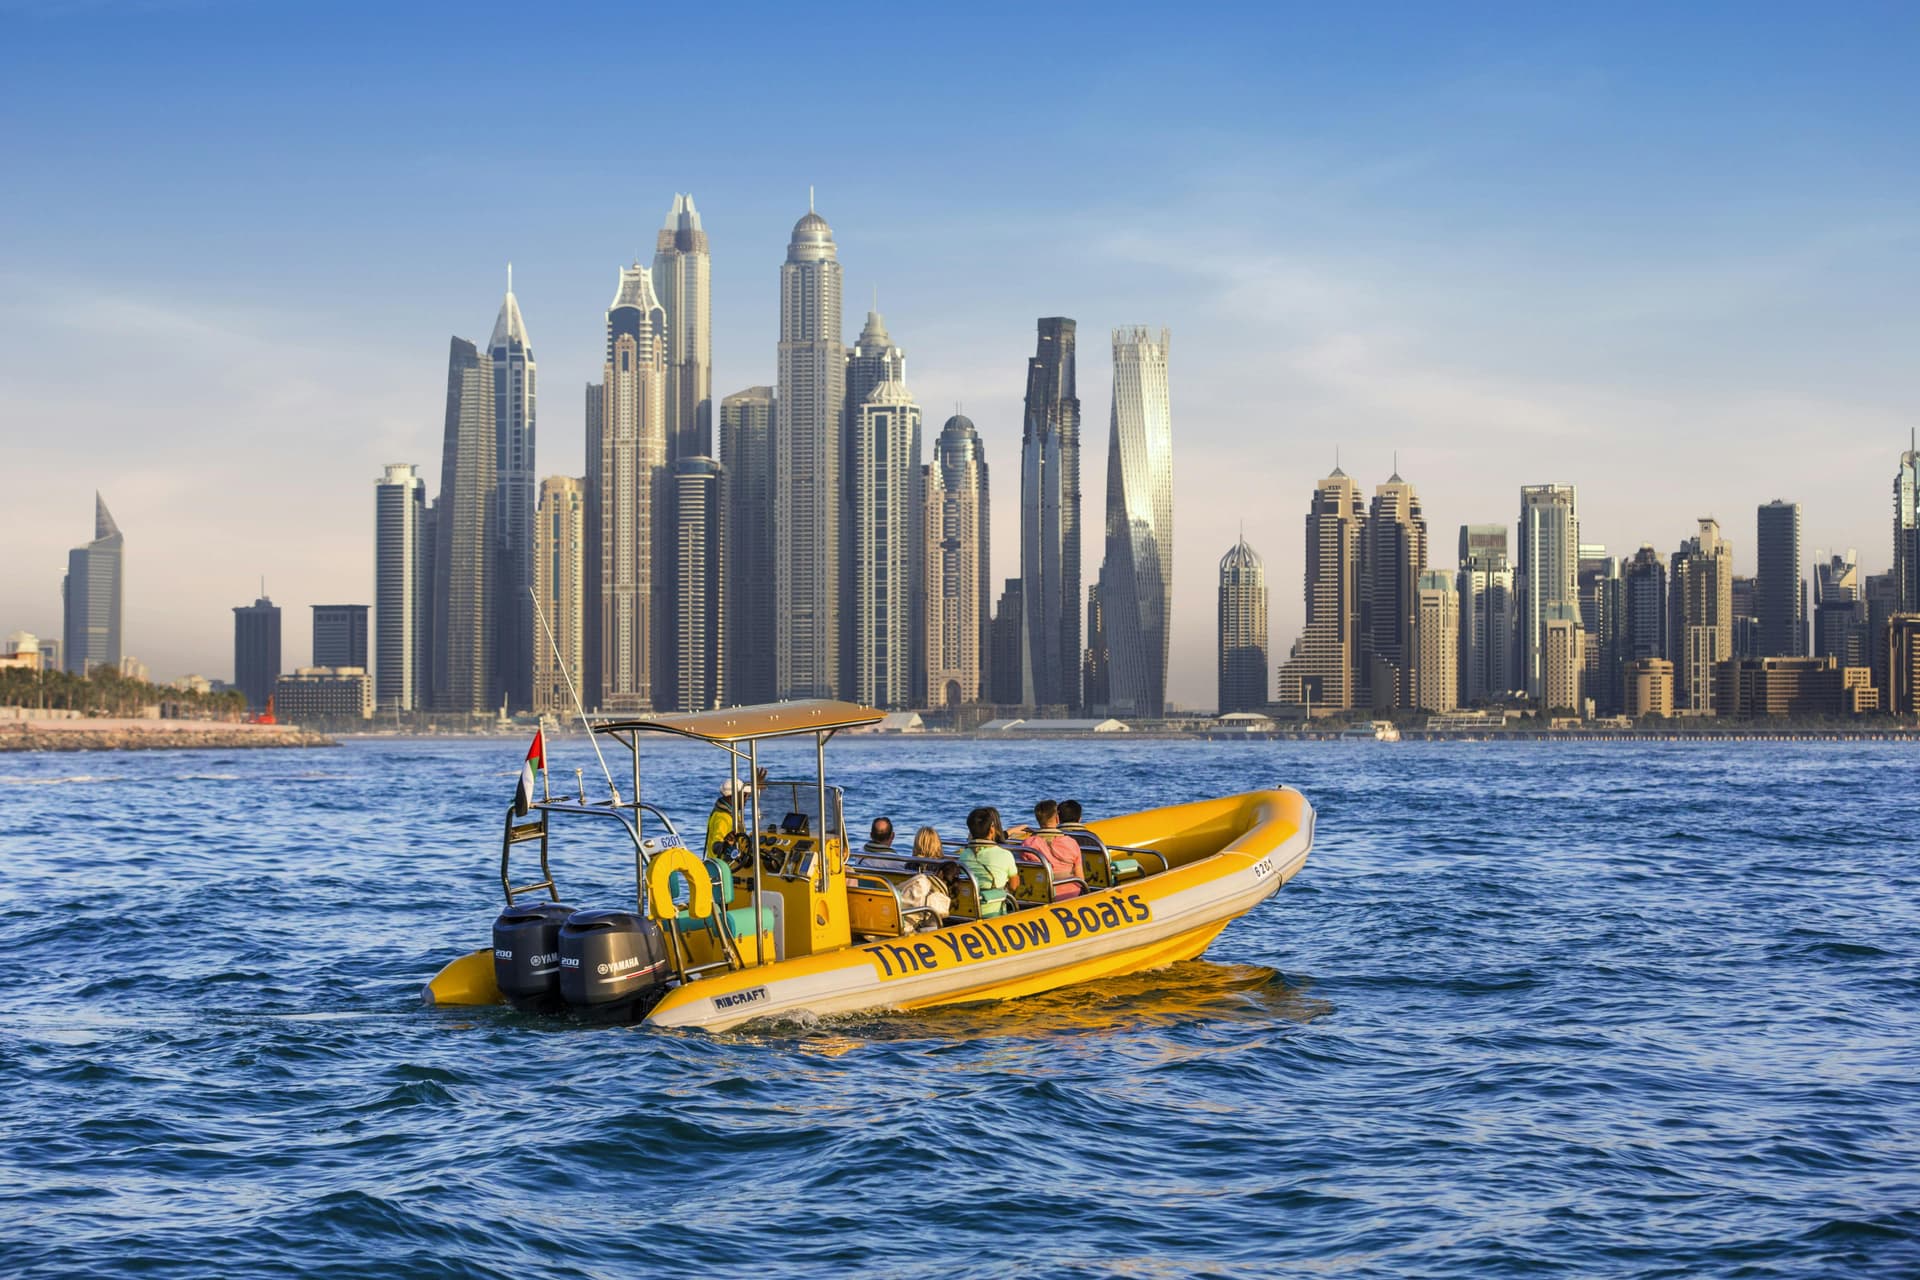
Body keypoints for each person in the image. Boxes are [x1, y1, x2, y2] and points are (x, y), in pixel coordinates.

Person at [1018, 799, 1087, 900]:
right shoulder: (1070, 843)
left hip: (1040, 894)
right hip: (1070, 894)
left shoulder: (1028, 844)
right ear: (1058, 818)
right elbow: (1080, 878)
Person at [957, 806, 1019, 917]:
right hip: (994, 913)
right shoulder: (1005, 855)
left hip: (969, 911)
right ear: (992, 830)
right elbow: (1014, 886)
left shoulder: (964, 855)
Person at [705, 768, 768, 861]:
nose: (746, 798)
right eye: (744, 795)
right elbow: (716, 846)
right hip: (724, 868)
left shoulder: (728, 812)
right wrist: (725, 844)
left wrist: (755, 786)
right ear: (733, 797)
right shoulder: (723, 817)